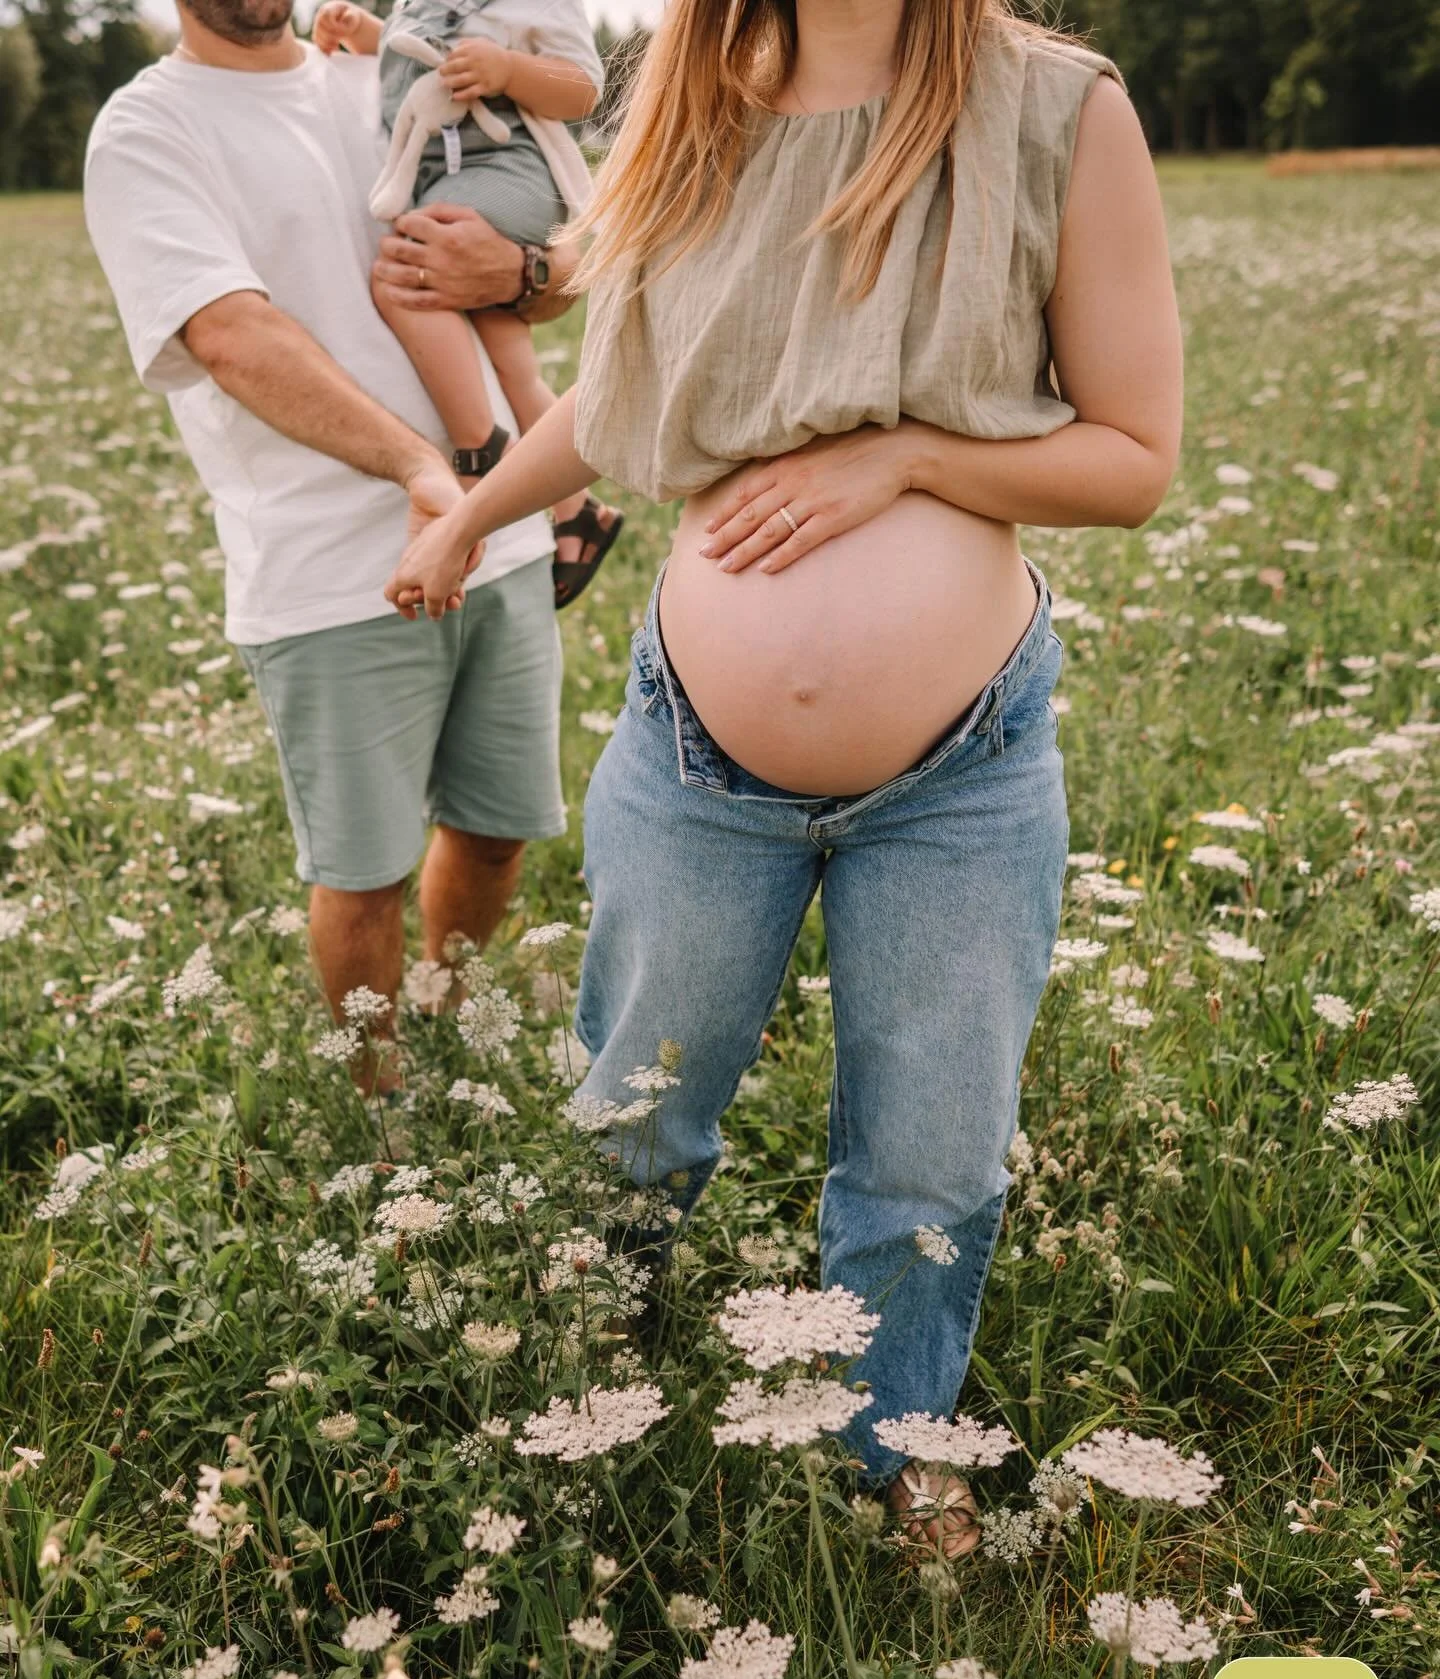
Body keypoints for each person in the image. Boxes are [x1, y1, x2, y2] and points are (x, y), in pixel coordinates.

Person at [386, 0, 1184, 1550]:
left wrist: (907, 456)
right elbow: (618, 405)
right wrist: (469, 516)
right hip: (697, 748)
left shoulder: (1058, 112)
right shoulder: (686, 103)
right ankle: (584, 1376)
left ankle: (898, 1446)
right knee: (636, 1101)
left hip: (965, 766)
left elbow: (1135, 455)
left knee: (934, 1139)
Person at [82, 0, 589, 1093]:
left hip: (496, 540)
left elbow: (532, 251)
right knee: (365, 876)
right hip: (332, 571)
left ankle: (451, 1016)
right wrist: (426, 474)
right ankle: (382, 1103)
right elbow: (230, 334)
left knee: (497, 831)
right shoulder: (148, 129)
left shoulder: (387, 72)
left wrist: (523, 274)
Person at [311, 0, 623, 609]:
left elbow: (585, 89)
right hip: (443, 178)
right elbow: (421, 59)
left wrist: (508, 69)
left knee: (408, 273)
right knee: (510, 359)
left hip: (510, 171)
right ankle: (577, 510)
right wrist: (367, 33)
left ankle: (482, 458)